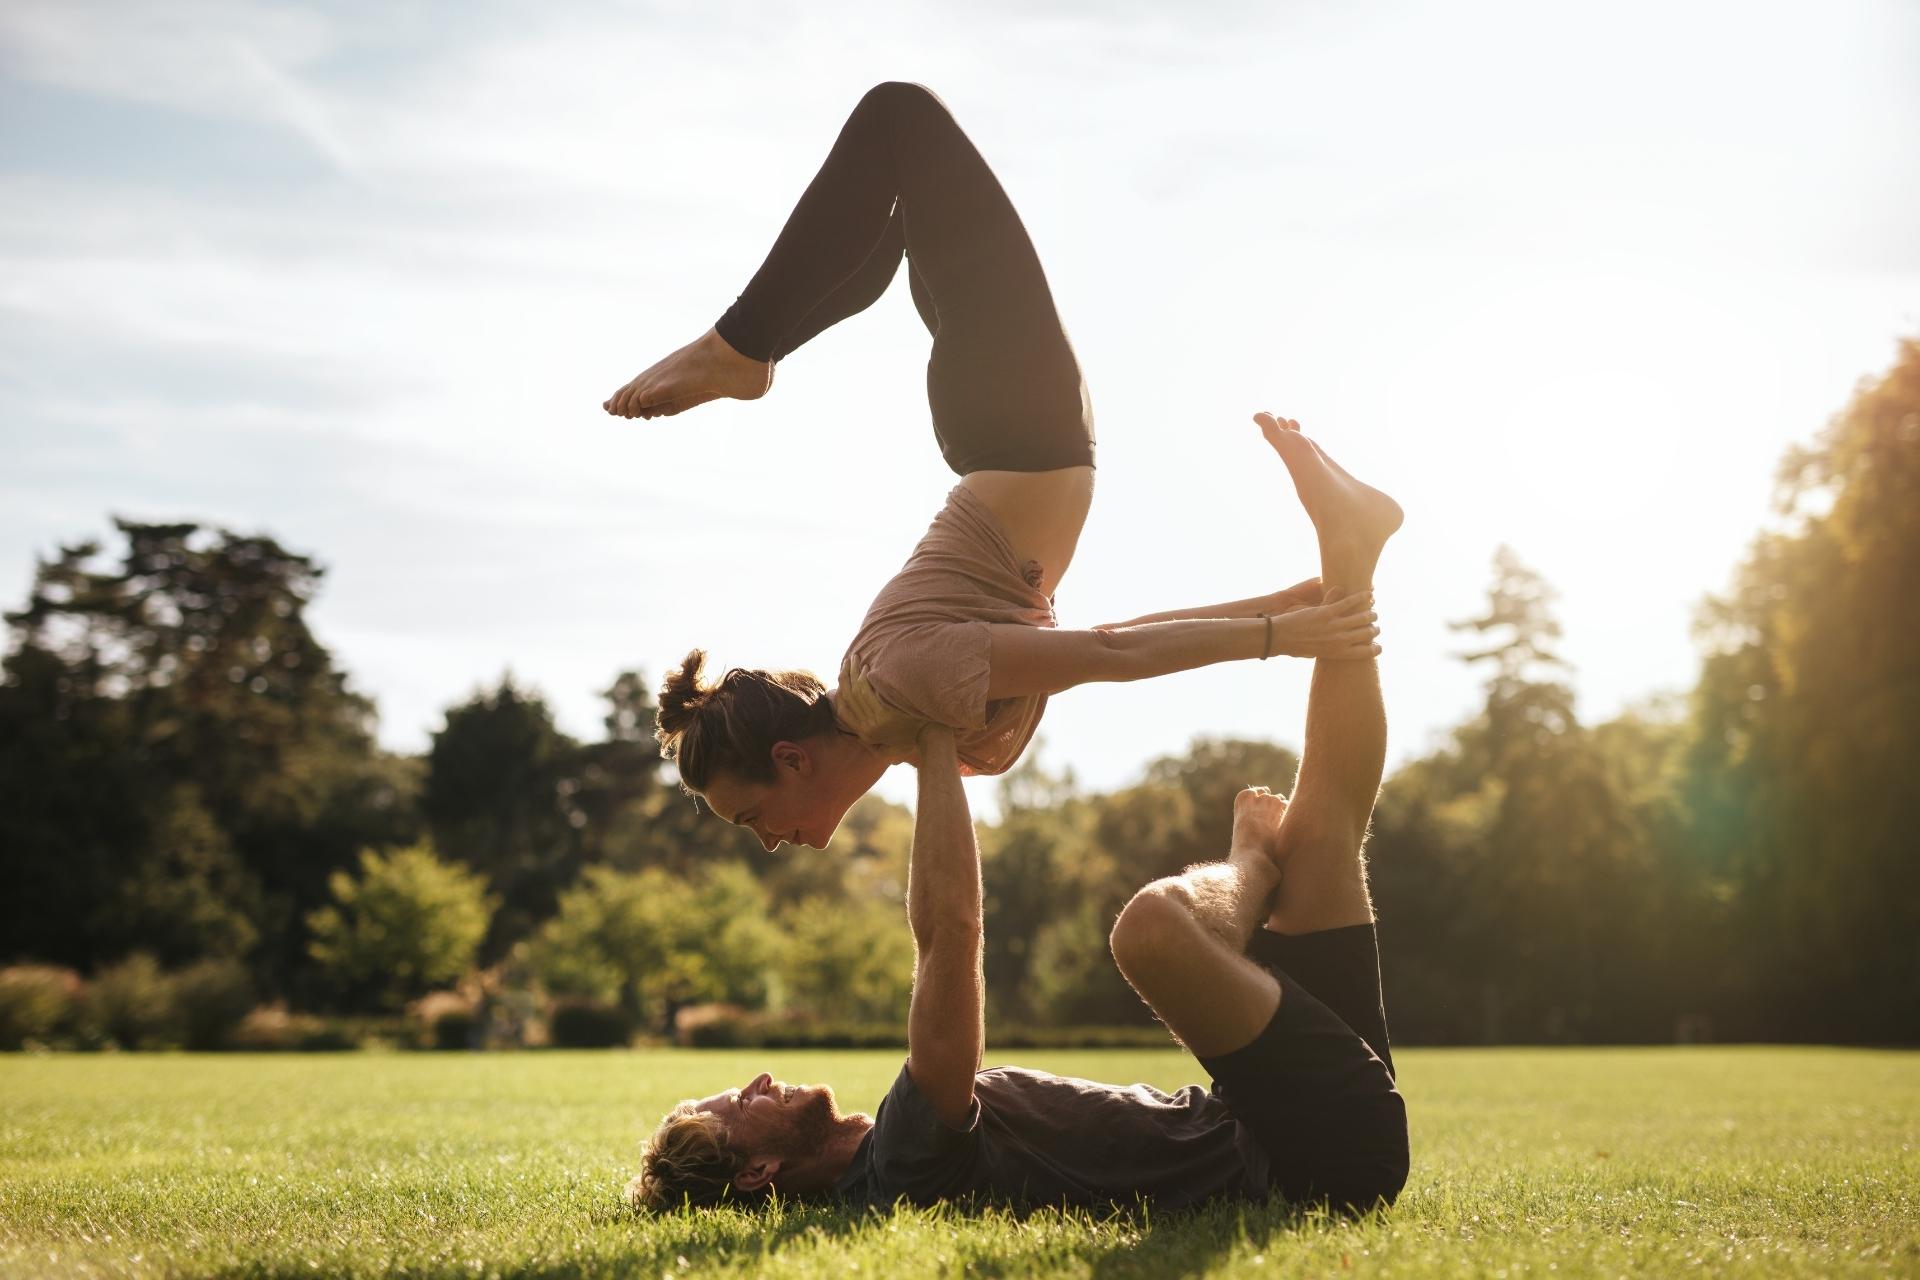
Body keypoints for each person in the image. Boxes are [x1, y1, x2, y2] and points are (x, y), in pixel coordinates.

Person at [628, 416, 1407, 1214]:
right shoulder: (897, 1169)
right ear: (757, 1172)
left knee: (1326, 829)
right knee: (1149, 932)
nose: (755, 1081)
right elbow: (950, 932)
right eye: (738, 1108)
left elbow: (1087, 648)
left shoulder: (899, 1151)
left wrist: (1277, 611)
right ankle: (1252, 867)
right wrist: (932, 741)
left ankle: (1351, 557)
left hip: (1294, 1107)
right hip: (1303, 1158)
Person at [604, 82, 1382, 852]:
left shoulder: (899, 681)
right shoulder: (907, 723)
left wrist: (1284, 636)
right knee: (907, 206)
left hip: (1015, 419)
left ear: (791, 759)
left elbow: (1107, 657)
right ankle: (757, 346)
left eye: (754, 818)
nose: (769, 842)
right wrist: (1282, 606)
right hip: (1018, 427)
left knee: (899, 118)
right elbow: (1102, 640)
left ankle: (742, 349)